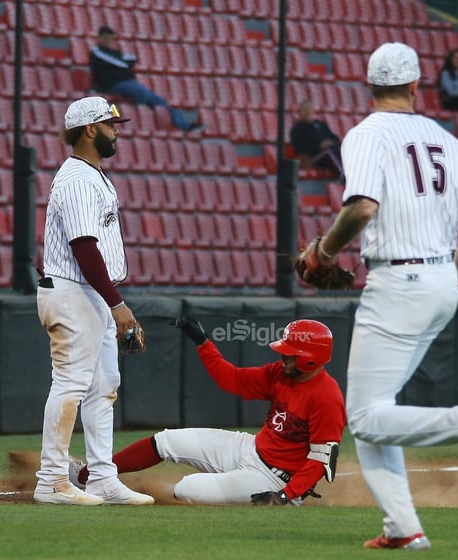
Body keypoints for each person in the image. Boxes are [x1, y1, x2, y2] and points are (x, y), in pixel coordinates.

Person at [301, 42, 458, 549]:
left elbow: (360, 208)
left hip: (397, 280)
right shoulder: (447, 139)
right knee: (376, 410)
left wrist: (323, 250)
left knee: (362, 417)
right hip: (442, 280)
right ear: (416, 86)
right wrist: (445, 274)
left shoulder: (366, 134)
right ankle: (403, 529)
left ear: (370, 86)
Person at [68, 317, 346, 506]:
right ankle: (85, 477)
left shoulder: (327, 397)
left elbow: (320, 460)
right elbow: (231, 379)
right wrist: (203, 342)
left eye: (291, 353)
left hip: (275, 478)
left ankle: (132, 494)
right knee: (165, 441)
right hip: (250, 448)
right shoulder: (280, 373)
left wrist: (285, 496)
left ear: (312, 358)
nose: (283, 356)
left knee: (187, 489)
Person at [34, 95, 153, 506]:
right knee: (70, 383)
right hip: (74, 292)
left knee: (104, 386)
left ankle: (102, 477)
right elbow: (84, 247)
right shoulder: (78, 179)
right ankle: (51, 480)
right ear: (89, 130)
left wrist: (110, 302)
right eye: (110, 124)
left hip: (86, 292)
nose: (117, 130)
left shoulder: (91, 174)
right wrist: (118, 305)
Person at [89, 26, 203, 132]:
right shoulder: (96, 52)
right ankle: (140, 122)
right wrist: (125, 63)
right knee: (140, 92)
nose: (109, 41)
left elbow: (131, 58)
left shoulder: (114, 52)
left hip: (128, 83)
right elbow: (121, 63)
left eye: (111, 39)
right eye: (106, 38)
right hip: (113, 85)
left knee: (160, 101)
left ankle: (186, 125)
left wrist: (125, 62)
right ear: (99, 38)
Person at [290, 100, 344, 180]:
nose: (307, 112)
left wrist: (331, 142)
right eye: (304, 110)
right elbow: (299, 147)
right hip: (313, 157)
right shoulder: (297, 129)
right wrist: (320, 146)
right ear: (300, 113)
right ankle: (344, 175)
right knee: (329, 151)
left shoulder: (320, 124)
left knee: (342, 151)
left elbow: (335, 138)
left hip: (330, 152)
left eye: (309, 110)